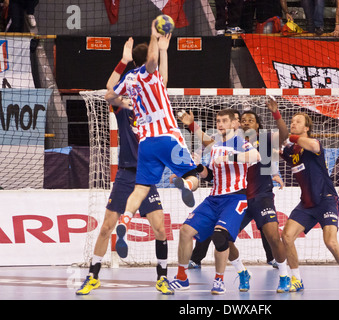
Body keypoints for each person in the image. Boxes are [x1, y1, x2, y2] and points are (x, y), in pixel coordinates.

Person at [76, 38, 173, 296]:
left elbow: (161, 80)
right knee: (106, 226)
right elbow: (109, 89)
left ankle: (162, 277)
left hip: (146, 176)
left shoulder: (156, 105)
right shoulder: (123, 106)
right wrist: (125, 61)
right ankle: (93, 275)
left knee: (160, 228)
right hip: (126, 174)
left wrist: (162, 51)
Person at [105, 19, 199, 260]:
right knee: (193, 175)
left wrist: (121, 100)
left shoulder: (130, 80)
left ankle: (125, 220)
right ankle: (186, 185)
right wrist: (154, 35)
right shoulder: (151, 74)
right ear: (147, 59)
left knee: (141, 188)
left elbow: (109, 94)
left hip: (146, 144)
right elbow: (155, 65)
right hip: (168, 137)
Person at [170, 108, 260, 295]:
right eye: (218, 121)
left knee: (220, 236)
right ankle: (182, 277)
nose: (220, 124)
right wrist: (199, 167)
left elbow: (256, 156)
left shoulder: (240, 142)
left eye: (224, 121)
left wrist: (229, 157)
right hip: (214, 198)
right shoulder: (216, 146)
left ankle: (219, 280)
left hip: (236, 197)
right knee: (185, 231)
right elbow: (210, 176)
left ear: (235, 123)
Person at [279, 112, 339, 293]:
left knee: (330, 242)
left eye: (297, 121)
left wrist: (288, 136)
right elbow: (274, 149)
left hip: (327, 201)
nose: (293, 123)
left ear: (307, 128)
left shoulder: (313, 145)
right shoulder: (291, 151)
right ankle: (297, 279)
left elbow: (313, 145)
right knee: (286, 237)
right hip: (306, 204)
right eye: (291, 121)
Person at [227, 98, 292, 293]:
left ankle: (284, 275)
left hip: (262, 196)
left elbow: (284, 135)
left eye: (250, 120)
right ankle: (242, 272)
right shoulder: (232, 142)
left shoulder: (264, 140)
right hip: (239, 198)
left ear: (257, 125)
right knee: (224, 238)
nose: (246, 122)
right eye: (243, 119)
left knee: (273, 237)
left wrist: (276, 114)